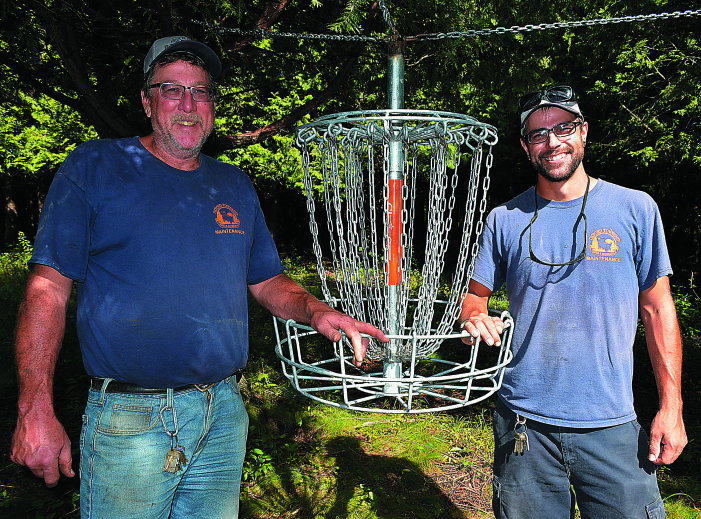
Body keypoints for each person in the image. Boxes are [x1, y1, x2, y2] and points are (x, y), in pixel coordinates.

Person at [10, 36, 388, 519]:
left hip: (222, 415)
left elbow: (267, 280)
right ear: (147, 102)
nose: (188, 105)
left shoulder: (233, 184)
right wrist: (34, 408)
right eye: (172, 90)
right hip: (130, 421)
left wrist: (319, 312)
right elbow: (47, 290)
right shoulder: (96, 167)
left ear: (212, 106)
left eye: (202, 92)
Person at [459, 85, 687, 518]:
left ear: (583, 132)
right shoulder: (504, 219)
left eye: (563, 127)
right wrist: (476, 319)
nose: (553, 142)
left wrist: (671, 407)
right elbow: (474, 298)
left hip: (613, 424)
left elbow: (658, 309)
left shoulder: (635, 209)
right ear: (526, 146)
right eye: (539, 134)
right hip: (524, 425)